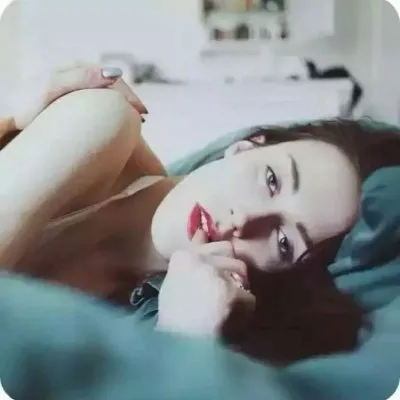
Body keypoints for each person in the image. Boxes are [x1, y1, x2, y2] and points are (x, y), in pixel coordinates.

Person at [1, 64, 400, 364]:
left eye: (283, 242)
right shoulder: (103, 122)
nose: (244, 221)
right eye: (271, 180)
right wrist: (14, 120)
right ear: (246, 146)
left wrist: (180, 344)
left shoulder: (170, 327)